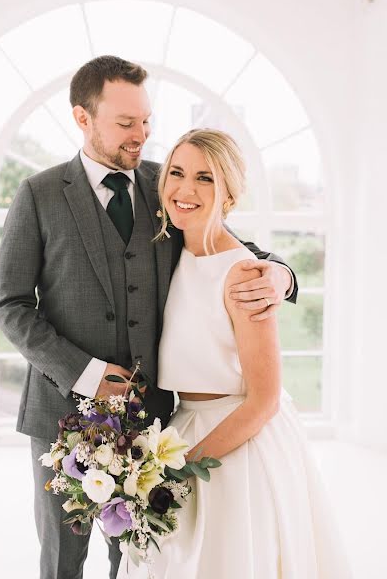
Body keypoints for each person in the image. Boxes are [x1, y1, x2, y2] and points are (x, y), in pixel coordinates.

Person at [0, 56, 297, 579]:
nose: (143, 134)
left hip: (153, 417)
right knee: (62, 558)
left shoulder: (169, 184)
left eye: (147, 120)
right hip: (61, 414)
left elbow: (231, 249)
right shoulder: (38, 195)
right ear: (83, 118)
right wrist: (85, 373)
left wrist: (282, 274)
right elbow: (10, 305)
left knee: (139, 557)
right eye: (126, 123)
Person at [117, 129, 351, 579]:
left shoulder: (244, 274)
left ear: (229, 193)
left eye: (205, 178)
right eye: (177, 173)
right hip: (180, 428)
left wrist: (184, 467)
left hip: (237, 445)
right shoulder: (173, 250)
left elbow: (264, 399)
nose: (186, 190)